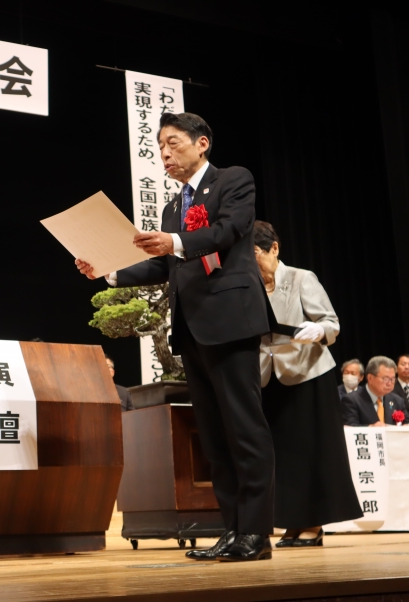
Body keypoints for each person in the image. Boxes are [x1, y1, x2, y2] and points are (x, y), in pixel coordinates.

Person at [76, 112, 277, 562]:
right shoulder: (172, 208)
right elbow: (163, 265)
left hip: (231, 321)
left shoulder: (233, 180)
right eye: (160, 147)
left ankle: (257, 534)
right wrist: (108, 272)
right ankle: (232, 530)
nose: (164, 154)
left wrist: (174, 242)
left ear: (201, 143)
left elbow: (229, 231)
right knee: (215, 435)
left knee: (245, 429)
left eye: (173, 144)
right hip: (192, 328)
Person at [253, 220, 361, 548]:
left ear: (274, 248)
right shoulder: (248, 284)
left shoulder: (301, 277)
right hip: (267, 375)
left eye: (256, 253)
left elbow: (331, 322)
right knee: (282, 454)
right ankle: (290, 523)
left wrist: (319, 331)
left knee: (312, 450)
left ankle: (313, 524)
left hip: (307, 372)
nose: (252, 262)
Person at [342, 357, 408, 426]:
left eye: (393, 379)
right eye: (385, 379)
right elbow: (350, 427)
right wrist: (371, 428)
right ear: (370, 378)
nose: (389, 383)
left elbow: (406, 422)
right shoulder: (352, 400)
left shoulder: (397, 400)